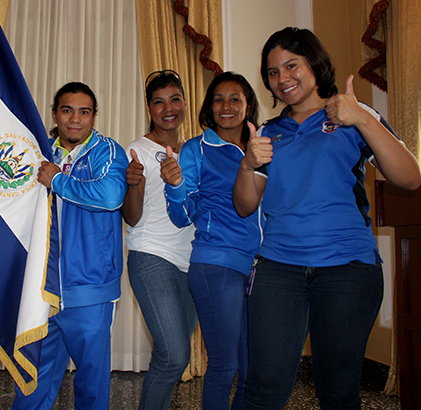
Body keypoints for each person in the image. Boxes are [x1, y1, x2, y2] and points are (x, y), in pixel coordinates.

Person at [233, 27, 421, 409]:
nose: (282, 78)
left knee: (338, 392)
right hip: (278, 270)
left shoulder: (355, 116)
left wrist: (363, 118)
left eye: (291, 65)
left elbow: (410, 177)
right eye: (272, 72)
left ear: (314, 63)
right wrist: (248, 164)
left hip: (347, 270)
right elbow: (244, 206)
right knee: (263, 389)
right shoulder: (269, 132)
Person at [11, 82, 129, 410]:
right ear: (54, 114)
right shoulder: (38, 153)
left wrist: (57, 180)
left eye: (84, 112)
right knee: (33, 381)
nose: (75, 119)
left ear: (93, 116)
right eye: (67, 111)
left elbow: (110, 196)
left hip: (89, 290)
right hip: (42, 288)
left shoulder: (107, 151)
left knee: (91, 386)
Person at [162, 72, 262, 410]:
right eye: (218, 99)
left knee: (251, 368)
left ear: (248, 105)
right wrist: (175, 186)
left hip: (260, 267)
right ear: (209, 106)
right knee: (225, 365)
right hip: (216, 264)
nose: (226, 106)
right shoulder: (197, 149)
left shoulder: (262, 147)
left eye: (235, 99)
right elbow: (181, 216)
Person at [121, 70, 198, 410]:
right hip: (151, 256)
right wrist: (133, 183)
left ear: (185, 103)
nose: (168, 109)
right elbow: (131, 217)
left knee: (171, 356)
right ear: (149, 108)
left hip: (193, 264)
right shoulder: (136, 151)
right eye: (159, 102)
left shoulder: (195, 150)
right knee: (174, 355)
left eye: (175, 99)